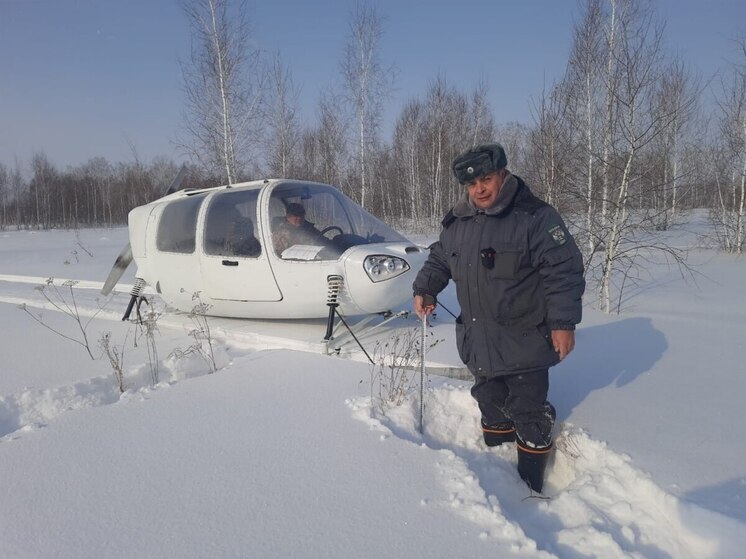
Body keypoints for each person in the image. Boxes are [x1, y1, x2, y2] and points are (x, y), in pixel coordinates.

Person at [412, 143, 585, 493]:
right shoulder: (458, 221)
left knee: (528, 412)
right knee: (490, 405)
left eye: (487, 179)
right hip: (480, 341)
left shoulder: (535, 217)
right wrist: (425, 289)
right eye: (472, 184)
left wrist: (563, 324)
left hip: (525, 341)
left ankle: (530, 489)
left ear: (503, 174)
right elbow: (439, 259)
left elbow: (564, 271)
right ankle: (497, 475)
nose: (480, 189)